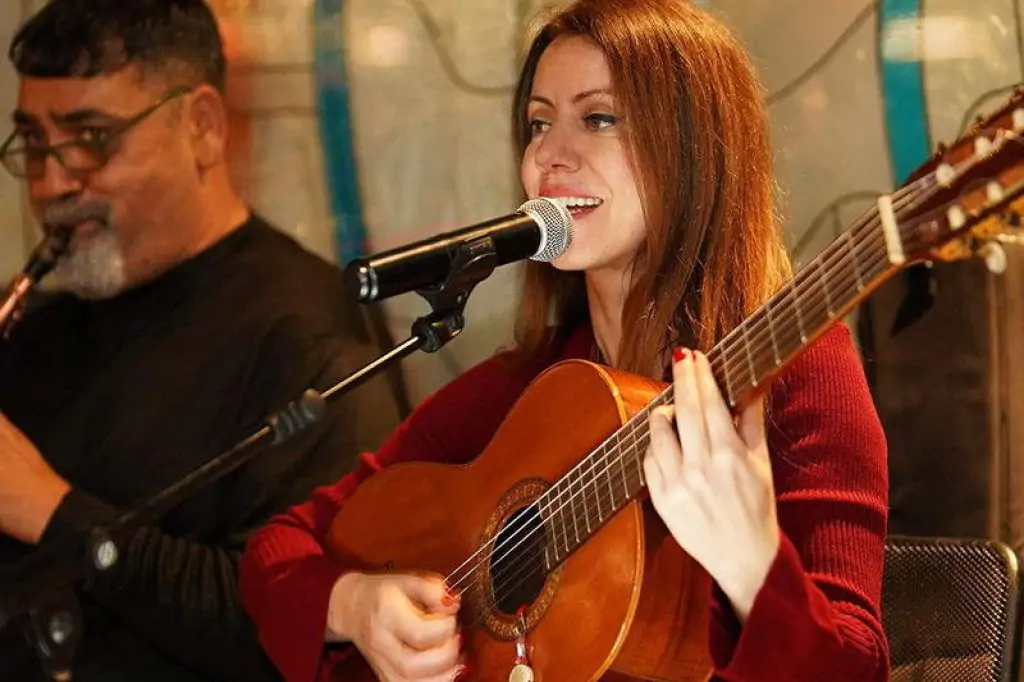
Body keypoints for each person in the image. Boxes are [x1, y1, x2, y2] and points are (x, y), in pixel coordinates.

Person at [238, 0, 890, 680]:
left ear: (694, 149)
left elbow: (858, 667)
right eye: (538, 123)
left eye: (599, 118)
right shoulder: (528, 388)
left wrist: (752, 564)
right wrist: (356, 604)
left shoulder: (801, 370)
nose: (549, 154)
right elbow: (280, 550)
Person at [0, 1, 409, 680]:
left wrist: (48, 510)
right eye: (34, 143)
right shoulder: (44, 317)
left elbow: (303, 628)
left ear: (203, 128)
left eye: (91, 138)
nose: (51, 183)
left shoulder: (311, 338)